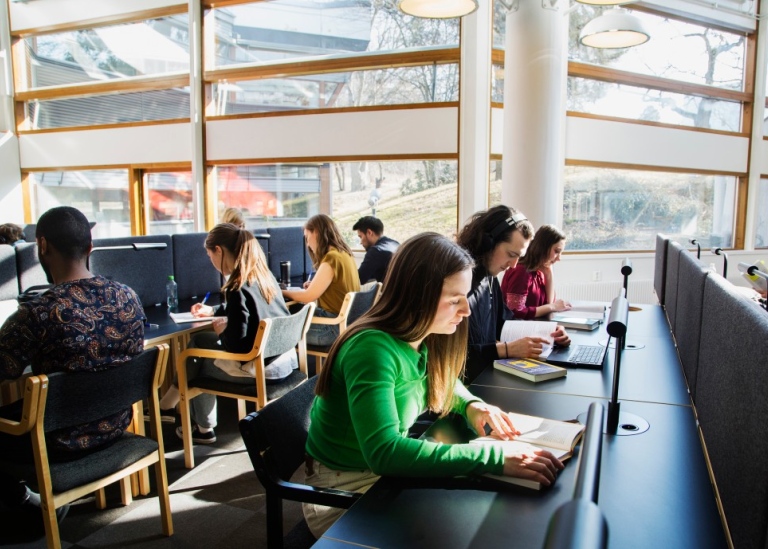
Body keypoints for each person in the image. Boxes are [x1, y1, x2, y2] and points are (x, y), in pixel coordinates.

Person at [303, 232, 563, 538]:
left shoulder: (419, 336)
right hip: (341, 488)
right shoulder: (372, 349)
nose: (466, 310)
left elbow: (444, 381)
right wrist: (493, 457)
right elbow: (385, 453)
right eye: (455, 300)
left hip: (377, 477)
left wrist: (471, 405)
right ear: (417, 295)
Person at [0, 206, 144, 532]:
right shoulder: (128, 297)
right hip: (116, 423)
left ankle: (27, 502)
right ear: (90, 247)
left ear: (42, 246)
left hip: (59, 440)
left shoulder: (37, 313)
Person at [158, 223, 296, 444]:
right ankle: (181, 413)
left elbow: (238, 346)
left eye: (210, 254)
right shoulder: (263, 276)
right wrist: (212, 311)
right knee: (200, 341)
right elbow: (248, 308)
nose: (211, 261)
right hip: (283, 360)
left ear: (219, 250)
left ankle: (183, 415)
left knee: (195, 357)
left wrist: (223, 332)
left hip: (258, 368)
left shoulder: (236, 286)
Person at [456, 206, 571, 383]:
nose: (513, 264)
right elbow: (449, 355)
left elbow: (504, 323)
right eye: (511, 254)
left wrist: (548, 332)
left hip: (484, 377)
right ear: (488, 242)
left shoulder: (490, 279)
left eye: (519, 256)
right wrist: (506, 350)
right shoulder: (457, 283)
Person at [282, 214, 360, 346]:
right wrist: (317, 284)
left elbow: (308, 296)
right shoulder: (344, 254)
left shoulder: (331, 258)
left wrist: (281, 292)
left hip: (331, 329)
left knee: (281, 332)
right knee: (295, 316)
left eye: (307, 238)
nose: (307, 244)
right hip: (347, 324)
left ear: (316, 232)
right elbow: (339, 286)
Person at [501, 224, 572, 319]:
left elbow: (549, 304)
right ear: (543, 247)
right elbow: (515, 311)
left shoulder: (540, 271)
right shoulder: (521, 271)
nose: (559, 258)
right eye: (556, 251)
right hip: (517, 329)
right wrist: (553, 306)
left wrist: (549, 275)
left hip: (535, 324)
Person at [352, 216, 400, 283]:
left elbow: (360, 278)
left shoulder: (376, 251)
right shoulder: (395, 244)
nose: (361, 242)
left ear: (369, 232)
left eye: (361, 236)